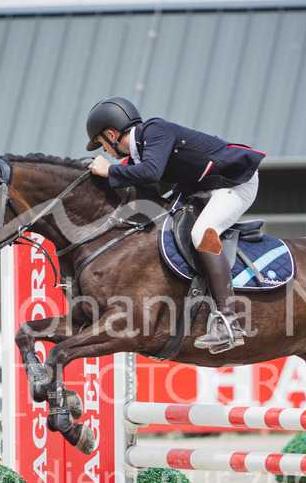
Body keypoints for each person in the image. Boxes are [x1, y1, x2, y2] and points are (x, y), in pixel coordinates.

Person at [85, 97, 266, 351]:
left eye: (101, 143)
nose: (104, 150)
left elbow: (150, 173)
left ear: (112, 134)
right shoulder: (139, 153)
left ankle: (228, 321)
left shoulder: (154, 131)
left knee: (203, 232)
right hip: (205, 187)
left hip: (236, 183)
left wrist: (110, 170)